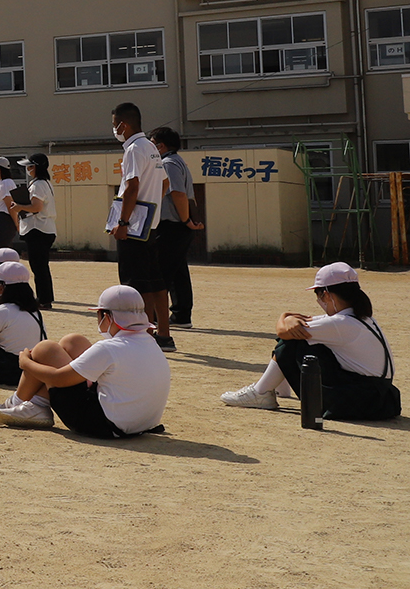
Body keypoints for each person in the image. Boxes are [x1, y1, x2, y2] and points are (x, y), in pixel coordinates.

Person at [219, 262, 398, 420]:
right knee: (303, 337)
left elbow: (284, 331)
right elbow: (299, 324)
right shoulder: (360, 317)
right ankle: (279, 389)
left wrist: (284, 316)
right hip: (381, 398)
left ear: (327, 295)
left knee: (294, 341)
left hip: (360, 399)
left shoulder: (339, 323)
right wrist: (288, 319)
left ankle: (261, 392)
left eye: (318, 295)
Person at [0, 285, 170, 436]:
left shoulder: (109, 348)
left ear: (107, 317)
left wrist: (25, 363)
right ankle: (37, 405)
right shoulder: (150, 343)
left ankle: (19, 403)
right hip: (140, 423)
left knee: (45, 349)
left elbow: (57, 378)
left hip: (104, 426)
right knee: (73, 341)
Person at [111, 102, 173, 350]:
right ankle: (164, 335)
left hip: (135, 227)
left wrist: (124, 221)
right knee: (156, 281)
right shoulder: (151, 147)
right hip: (151, 224)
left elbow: (132, 186)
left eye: (114, 124)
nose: (114, 129)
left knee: (137, 283)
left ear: (123, 125)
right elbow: (165, 184)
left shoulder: (134, 149)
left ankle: (143, 335)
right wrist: (152, 203)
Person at [149, 127, 201, 328]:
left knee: (160, 272)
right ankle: (181, 315)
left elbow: (178, 193)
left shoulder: (168, 163)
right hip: (178, 226)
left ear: (160, 145)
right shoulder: (178, 161)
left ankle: (154, 316)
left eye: (152, 143)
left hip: (172, 225)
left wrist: (186, 219)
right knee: (178, 271)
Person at [0, 261, 47, 386]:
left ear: (1, 287)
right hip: (29, 369)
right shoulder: (34, 311)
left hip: (7, 371)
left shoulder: (3, 311)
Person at [3, 154, 56, 308]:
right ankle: (45, 298)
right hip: (44, 228)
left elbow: (36, 207)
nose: (28, 169)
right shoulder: (45, 183)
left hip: (38, 229)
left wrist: (19, 207)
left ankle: (44, 299)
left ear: (37, 167)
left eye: (30, 166)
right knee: (41, 266)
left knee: (39, 267)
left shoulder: (38, 184)